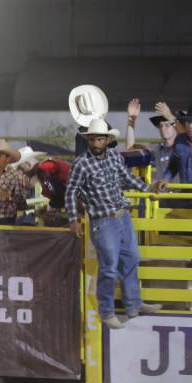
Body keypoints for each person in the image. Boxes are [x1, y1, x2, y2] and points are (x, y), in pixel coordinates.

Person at [66, 118, 166, 329]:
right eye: (92, 138)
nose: (95, 142)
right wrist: (73, 219)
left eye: (99, 138)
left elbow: (127, 178)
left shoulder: (114, 157)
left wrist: (149, 189)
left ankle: (134, 304)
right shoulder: (81, 163)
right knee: (109, 268)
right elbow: (71, 191)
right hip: (102, 221)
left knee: (131, 259)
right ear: (88, 140)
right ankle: (107, 311)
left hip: (122, 215)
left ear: (107, 140)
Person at [125, 100, 180, 182]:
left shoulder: (185, 147)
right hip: (163, 194)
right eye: (160, 126)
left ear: (176, 127)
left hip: (183, 194)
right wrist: (131, 120)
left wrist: (170, 116)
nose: (163, 129)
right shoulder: (156, 150)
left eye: (167, 125)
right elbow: (130, 149)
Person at [12, 146, 71, 215]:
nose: (21, 172)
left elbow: (59, 194)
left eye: (20, 168)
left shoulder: (44, 169)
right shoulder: (43, 171)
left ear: (27, 164)